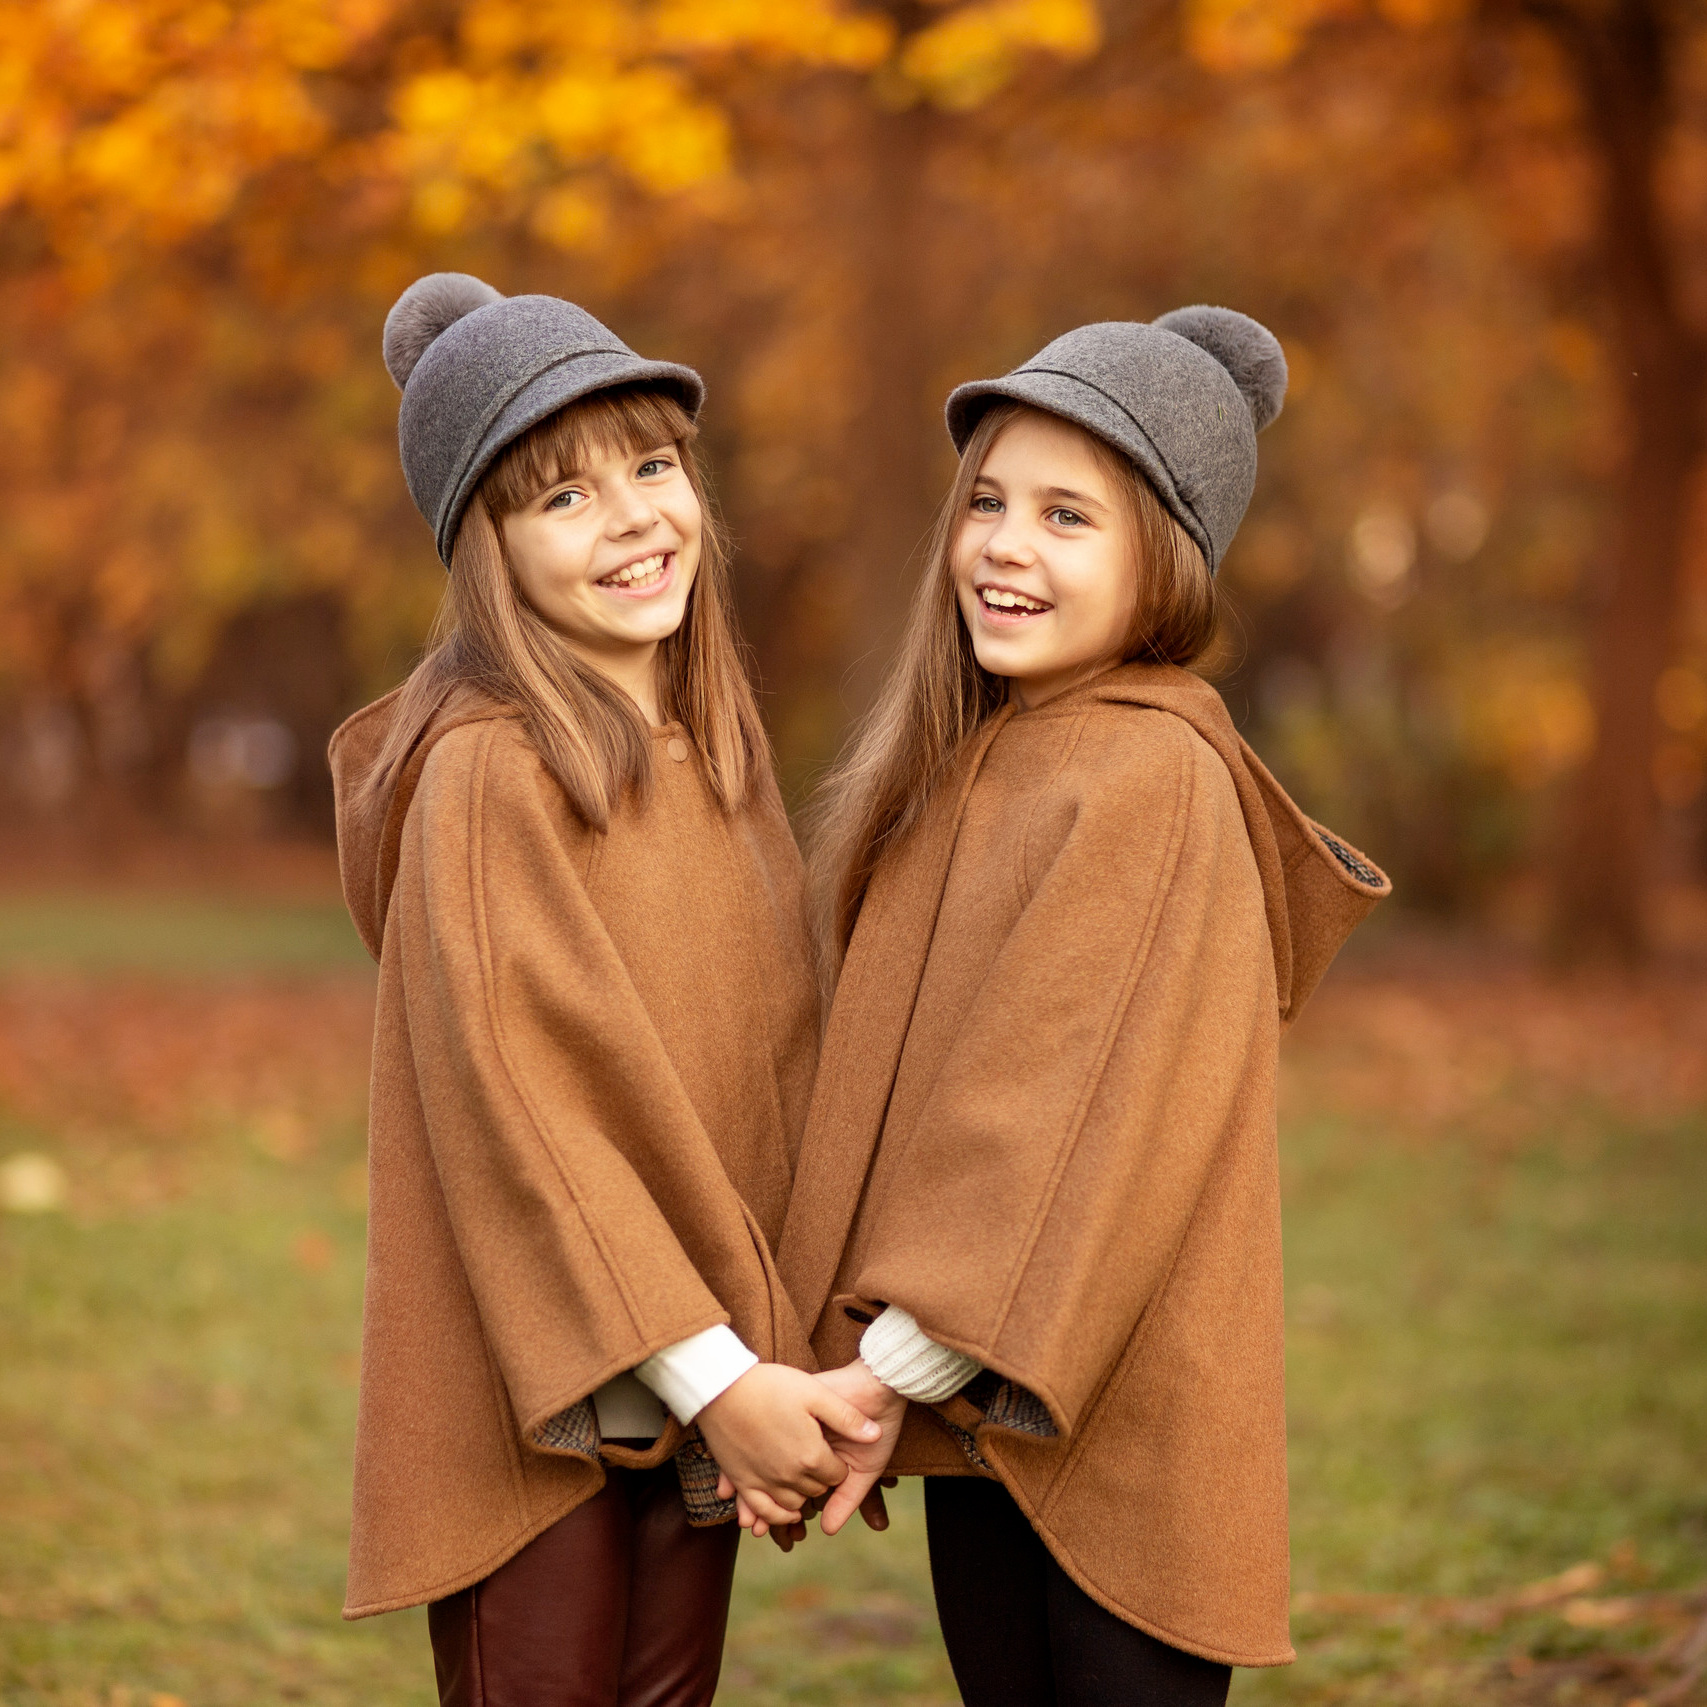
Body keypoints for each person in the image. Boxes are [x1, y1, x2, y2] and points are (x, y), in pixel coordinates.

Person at [777, 309, 1392, 1706]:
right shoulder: (987, 760)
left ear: (1162, 563)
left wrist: (878, 1376)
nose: (1005, 546)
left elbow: (1047, 1119)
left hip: (1116, 1429)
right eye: (988, 501)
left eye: (1069, 517)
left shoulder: (1149, 780)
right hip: (985, 1396)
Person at [328, 273, 880, 1707]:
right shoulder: (489, 772)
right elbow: (529, 1119)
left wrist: (788, 1360)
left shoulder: (712, 761)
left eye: (651, 466)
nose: (636, 516)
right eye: (562, 498)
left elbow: (764, 1071)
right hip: (552, 1402)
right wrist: (724, 1384)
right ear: (485, 552)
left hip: (692, 1378)